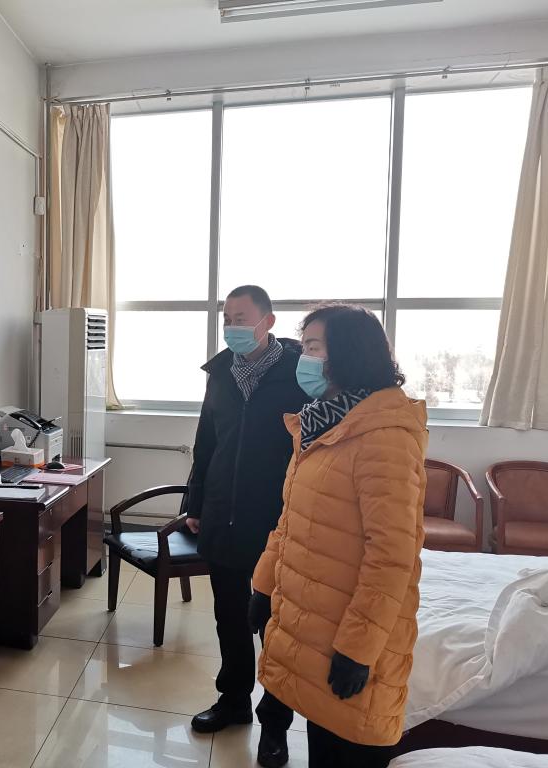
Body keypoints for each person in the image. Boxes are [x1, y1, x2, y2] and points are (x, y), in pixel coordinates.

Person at [250, 304, 427, 768]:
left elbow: (392, 557)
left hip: (348, 634)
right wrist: (264, 585)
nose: (302, 358)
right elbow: (291, 520)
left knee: (346, 748)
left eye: (312, 347)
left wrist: (358, 648)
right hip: (315, 622)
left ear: (348, 354)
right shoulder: (322, 423)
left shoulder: (383, 437)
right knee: (322, 740)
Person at [183, 285, 310, 757]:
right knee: (230, 617)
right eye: (227, 319)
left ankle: (275, 723)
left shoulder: (298, 375)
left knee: (275, 624)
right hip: (223, 513)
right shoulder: (220, 374)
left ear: (267, 321)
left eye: (241, 318)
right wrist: (196, 504)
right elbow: (206, 442)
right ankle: (234, 699)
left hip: (277, 520)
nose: (232, 326)